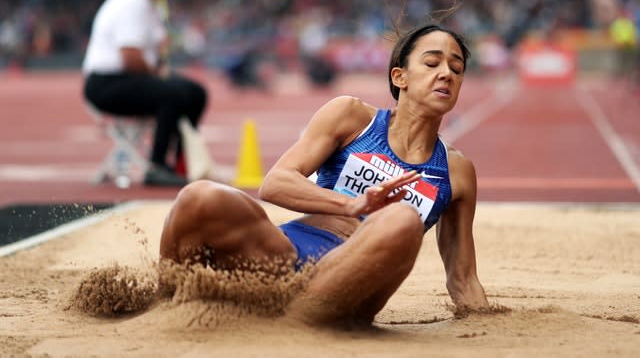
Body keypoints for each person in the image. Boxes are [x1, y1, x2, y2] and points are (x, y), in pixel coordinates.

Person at [159, 21, 489, 325]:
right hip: (284, 257)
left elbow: (462, 278)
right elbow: (275, 183)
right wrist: (351, 205)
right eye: (432, 63)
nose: (446, 73)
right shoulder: (352, 117)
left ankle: (296, 321)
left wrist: (489, 328)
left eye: (456, 68)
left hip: (350, 285)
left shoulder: (456, 172)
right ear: (399, 77)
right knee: (198, 196)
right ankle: (164, 305)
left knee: (402, 219)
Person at [83, 0, 207, 186]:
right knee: (171, 94)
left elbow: (153, 52)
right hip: (105, 83)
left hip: (128, 78)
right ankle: (157, 166)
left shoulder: (151, 3)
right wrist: (158, 73)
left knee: (195, 93)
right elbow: (130, 58)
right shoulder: (133, 2)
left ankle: (182, 161)